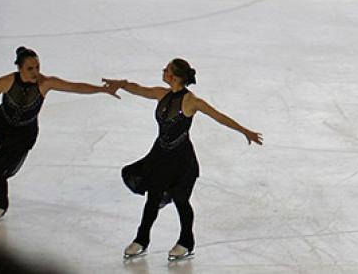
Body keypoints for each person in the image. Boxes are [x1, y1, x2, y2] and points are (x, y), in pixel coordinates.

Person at [0, 47, 118, 224]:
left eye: (37, 67)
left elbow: (75, 87)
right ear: (19, 68)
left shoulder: (45, 84)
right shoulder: (7, 81)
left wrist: (102, 89)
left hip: (21, 137)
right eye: (30, 68)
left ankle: (1, 203)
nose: (35, 72)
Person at [105, 60, 262, 262]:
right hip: (159, 156)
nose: (163, 71)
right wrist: (122, 83)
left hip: (182, 161)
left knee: (181, 200)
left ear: (174, 76)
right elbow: (139, 89)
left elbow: (219, 117)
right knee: (152, 200)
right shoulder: (162, 94)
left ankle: (186, 242)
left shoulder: (191, 101)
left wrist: (245, 131)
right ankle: (141, 240)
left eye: (167, 69)